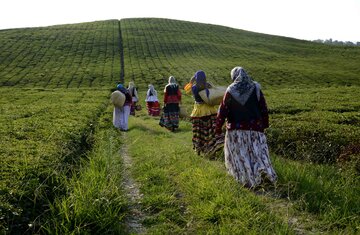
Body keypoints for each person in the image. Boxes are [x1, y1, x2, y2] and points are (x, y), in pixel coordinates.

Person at [215, 66, 277, 188]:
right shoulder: (256, 88)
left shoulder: (230, 90)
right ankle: (262, 172)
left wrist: (217, 128)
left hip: (236, 131)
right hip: (255, 129)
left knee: (241, 156)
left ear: (234, 77)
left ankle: (246, 179)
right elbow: (263, 108)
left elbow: (222, 111)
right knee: (258, 153)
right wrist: (264, 124)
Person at [190, 70, 222, 155]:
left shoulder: (194, 88)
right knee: (210, 130)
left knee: (199, 131)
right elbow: (215, 91)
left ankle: (199, 148)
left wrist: (192, 79)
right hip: (209, 109)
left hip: (198, 111)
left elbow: (187, 87)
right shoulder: (207, 86)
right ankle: (212, 147)